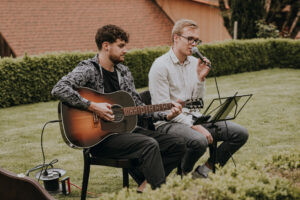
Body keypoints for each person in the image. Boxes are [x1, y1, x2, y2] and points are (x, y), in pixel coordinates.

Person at [51, 24, 186, 191]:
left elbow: (139, 107)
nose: (126, 50)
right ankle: (160, 194)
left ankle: (145, 185)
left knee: (178, 144)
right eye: (121, 46)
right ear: (106, 46)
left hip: (127, 131)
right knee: (149, 144)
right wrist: (93, 106)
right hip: (100, 138)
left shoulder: (124, 72)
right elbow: (59, 88)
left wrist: (166, 116)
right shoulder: (88, 69)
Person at [148, 19, 249, 178]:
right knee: (199, 141)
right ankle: (183, 173)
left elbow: (197, 103)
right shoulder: (160, 66)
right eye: (190, 39)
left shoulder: (195, 63)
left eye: (196, 40)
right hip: (168, 122)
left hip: (193, 117)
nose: (194, 45)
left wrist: (201, 79)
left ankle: (204, 171)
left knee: (239, 133)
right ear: (176, 38)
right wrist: (194, 126)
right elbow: (163, 108)